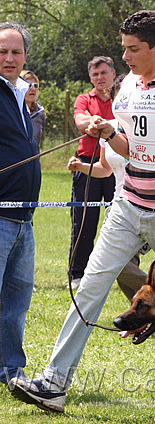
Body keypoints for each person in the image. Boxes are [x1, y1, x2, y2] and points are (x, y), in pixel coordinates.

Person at [10, 10, 155, 412]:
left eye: (133, 49)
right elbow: (129, 147)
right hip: (127, 206)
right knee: (90, 286)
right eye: (123, 48)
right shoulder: (127, 85)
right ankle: (54, 384)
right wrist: (110, 132)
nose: (125, 57)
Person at [67, 73, 148, 302]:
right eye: (121, 96)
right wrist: (81, 166)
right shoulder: (108, 128)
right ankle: (148, 309)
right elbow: (105, 168)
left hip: (153, 203)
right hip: (120, 208)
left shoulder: (147, 126)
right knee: (120, 267)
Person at [0, 22, 40, 387]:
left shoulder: (22, 94)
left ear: (25, 56)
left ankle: (11, 368)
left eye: (16, 52)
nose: (9, 58)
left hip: (23, 218)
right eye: (2, 51)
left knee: (16, 302)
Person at [69, 56, 118, 289]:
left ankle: (121, 273)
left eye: (104, 73)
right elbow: (80, 121)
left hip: (116, 164)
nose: (100, 78)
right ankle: (77, 273)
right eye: (95, 74)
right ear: (90, 77)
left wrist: (104, 124)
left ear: (113, 74)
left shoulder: (121, 98)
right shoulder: (83, 99)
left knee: (118, 220)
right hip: (86, 163)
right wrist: (98, 123)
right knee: (84, 221)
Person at [19, 70, 45, 150]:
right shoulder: (9, 111)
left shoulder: (40, 114)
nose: (33, 89)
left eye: (35, 85)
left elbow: (39, 144)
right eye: (29, 85)